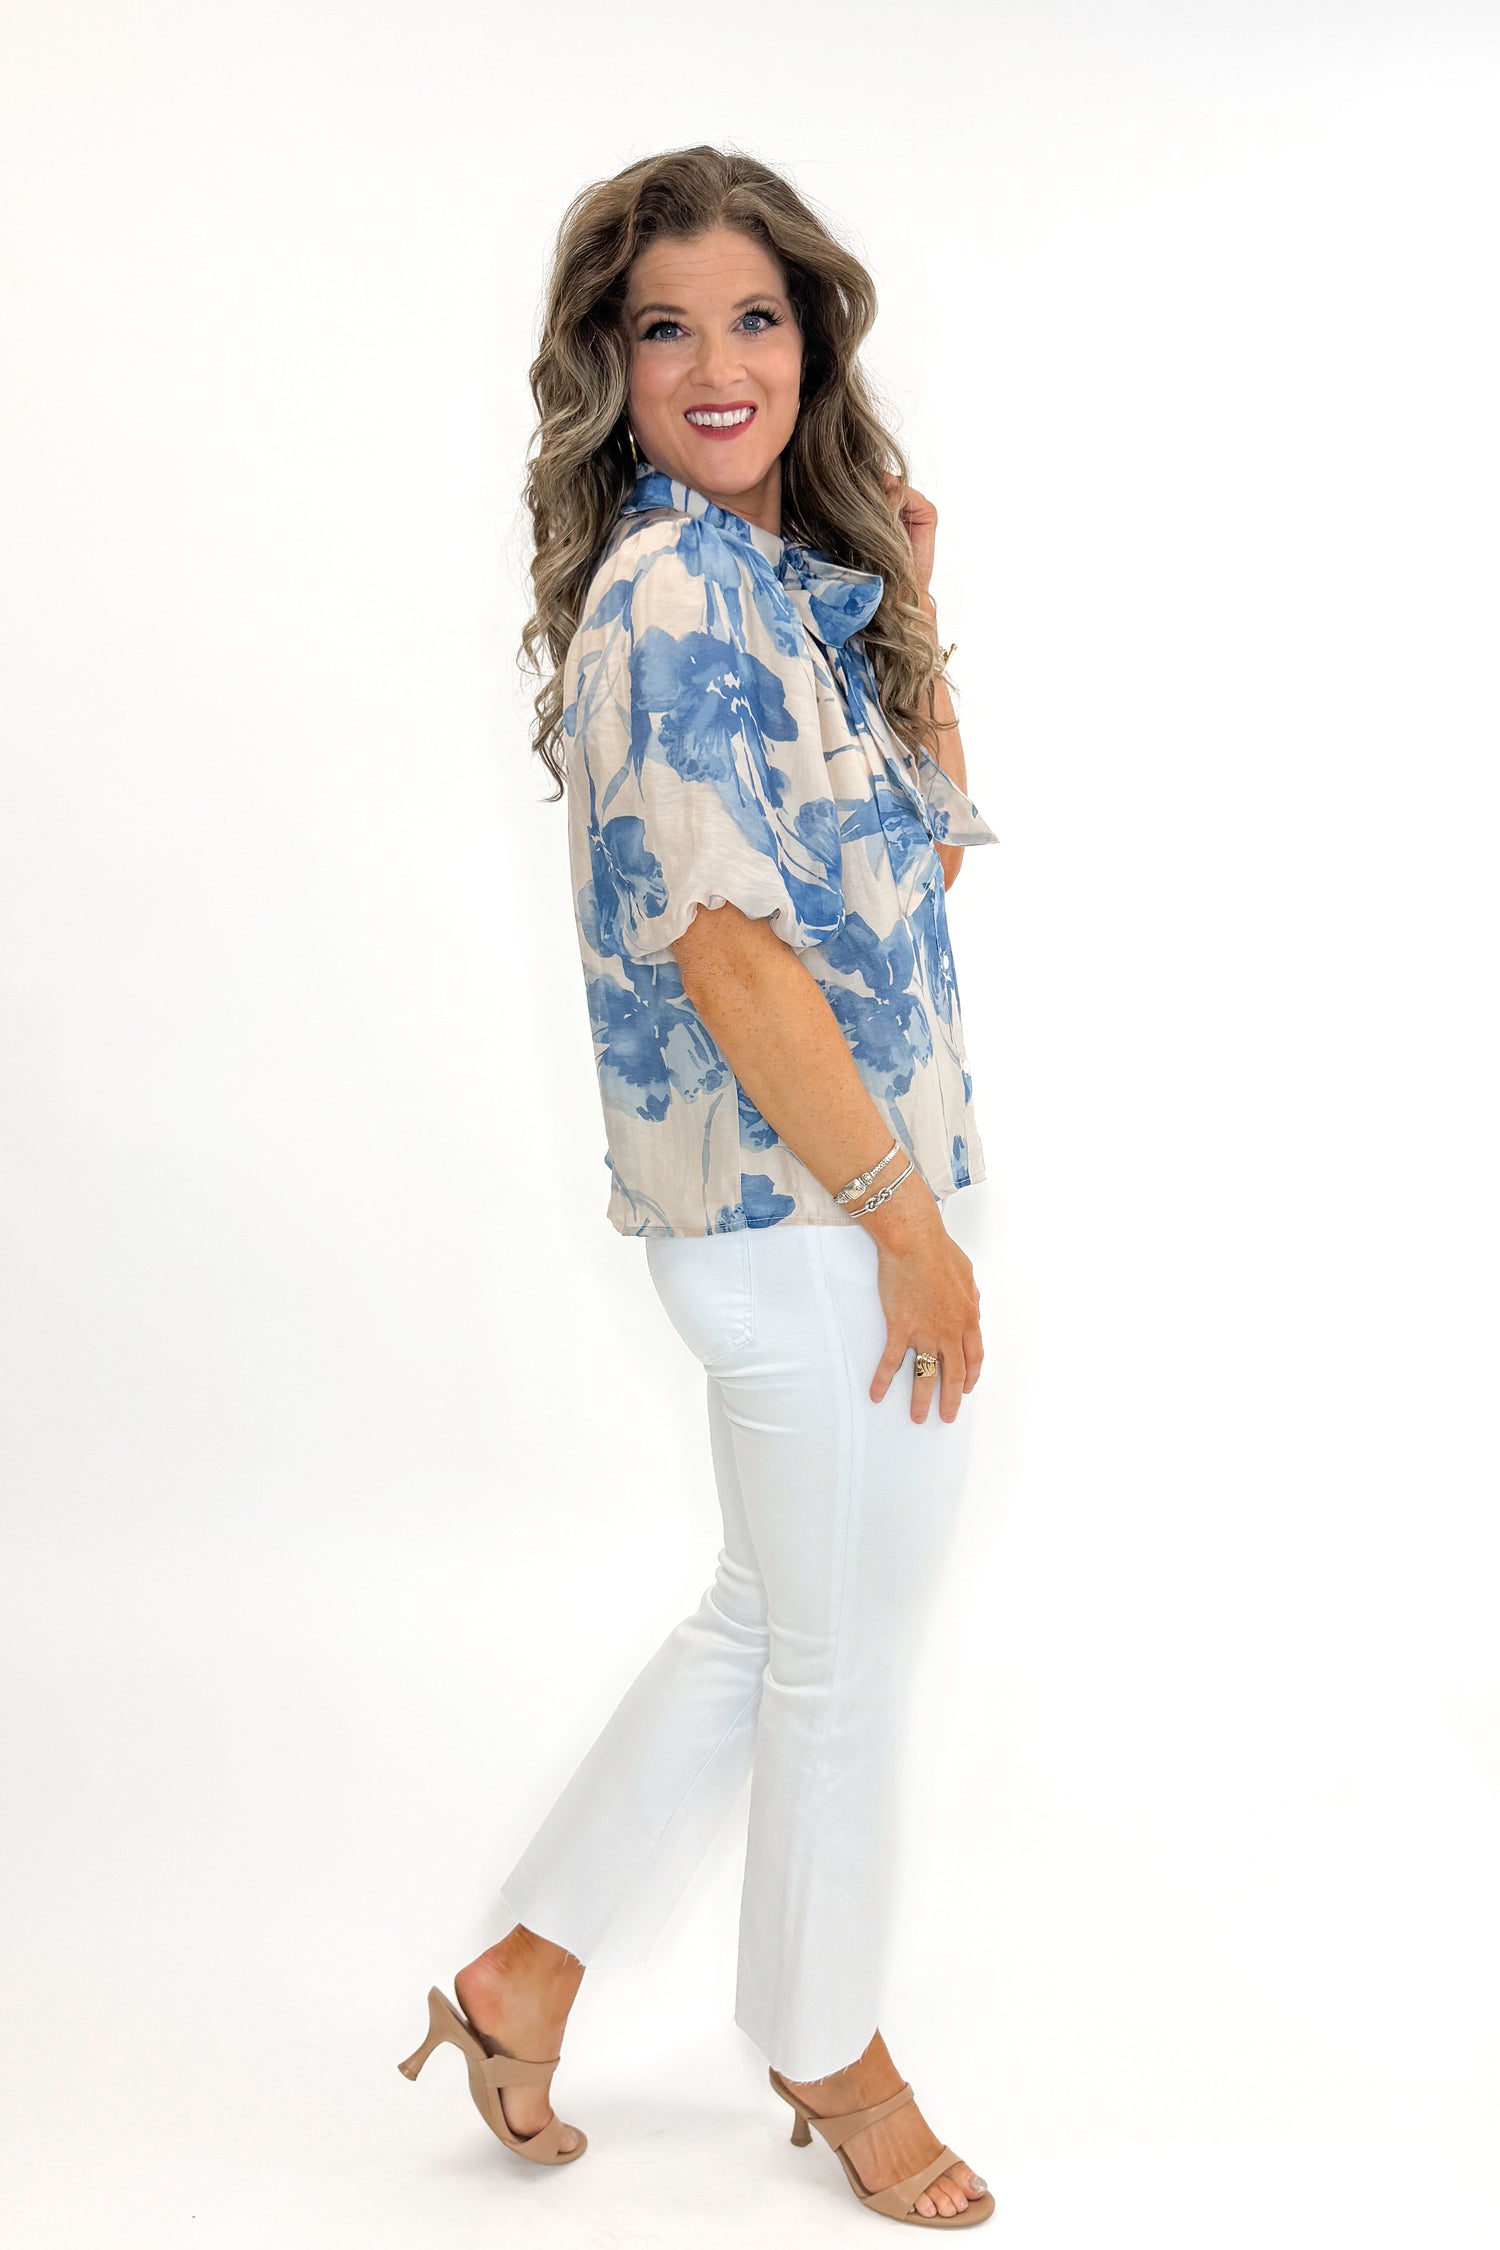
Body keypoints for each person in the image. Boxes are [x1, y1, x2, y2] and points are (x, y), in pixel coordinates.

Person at [398, 144, 997, 2229]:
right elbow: (730, 958)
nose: (719, 362)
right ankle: (831, 2052)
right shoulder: (673, 599)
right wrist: (908, 1230)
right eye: (669, 328)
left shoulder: (762, 587)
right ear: (615, 367)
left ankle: (521, 1976)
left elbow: (911, 879)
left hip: (831, 1205)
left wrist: (914, 614)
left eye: (756, 317)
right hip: (806, 1221)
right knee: (841, 1659)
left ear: (811, 343)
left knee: (772, 1618)